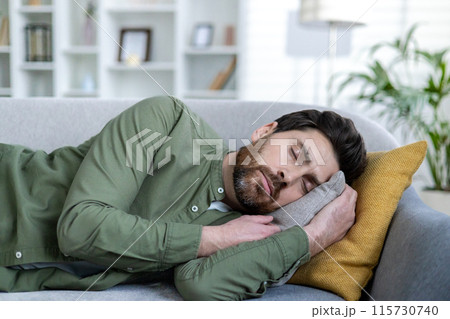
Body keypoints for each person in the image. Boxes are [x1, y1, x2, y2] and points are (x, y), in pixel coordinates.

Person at [0, 95, 366, 300]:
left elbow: (201, 284)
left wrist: (311, 238)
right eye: (295, 154)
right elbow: (80, 227)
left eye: (307, 187)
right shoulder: (167, 123)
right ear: (264, 132)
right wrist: (209, 240)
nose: (288, 177)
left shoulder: (243, 233)